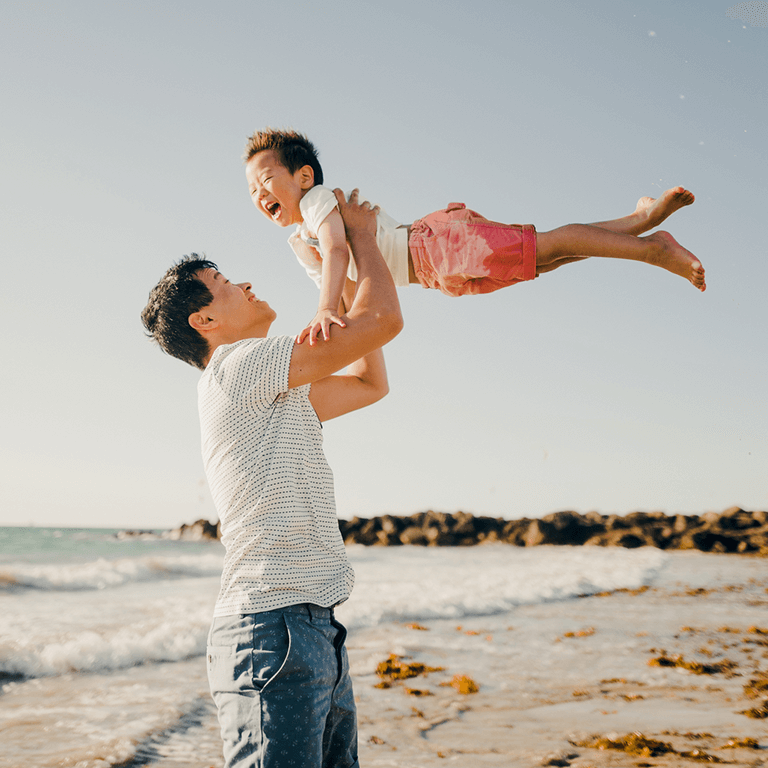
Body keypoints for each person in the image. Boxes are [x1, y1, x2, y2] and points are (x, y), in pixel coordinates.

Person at [141, 190, 403, 768]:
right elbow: (383, 321)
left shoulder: (273, 386)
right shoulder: (237, 367)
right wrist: (354, 237)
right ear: (204, 320)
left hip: (313, 628)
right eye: (227, 282)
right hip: (271, 631)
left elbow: (368, 382)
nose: (248, 284)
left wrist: (331, 279)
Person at [243, 128, 706, 346]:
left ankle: (652, 249)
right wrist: (329, 322)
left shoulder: (317, 201)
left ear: (304, 176)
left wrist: (323, 309)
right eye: (251, 191)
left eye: (266, 179)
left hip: (436, 249)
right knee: (548, 257)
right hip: (439, 275)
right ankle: (638, 221)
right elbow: (344, 297)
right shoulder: (299, 241)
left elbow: (341, 251)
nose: (259, 193)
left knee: (553, 246)